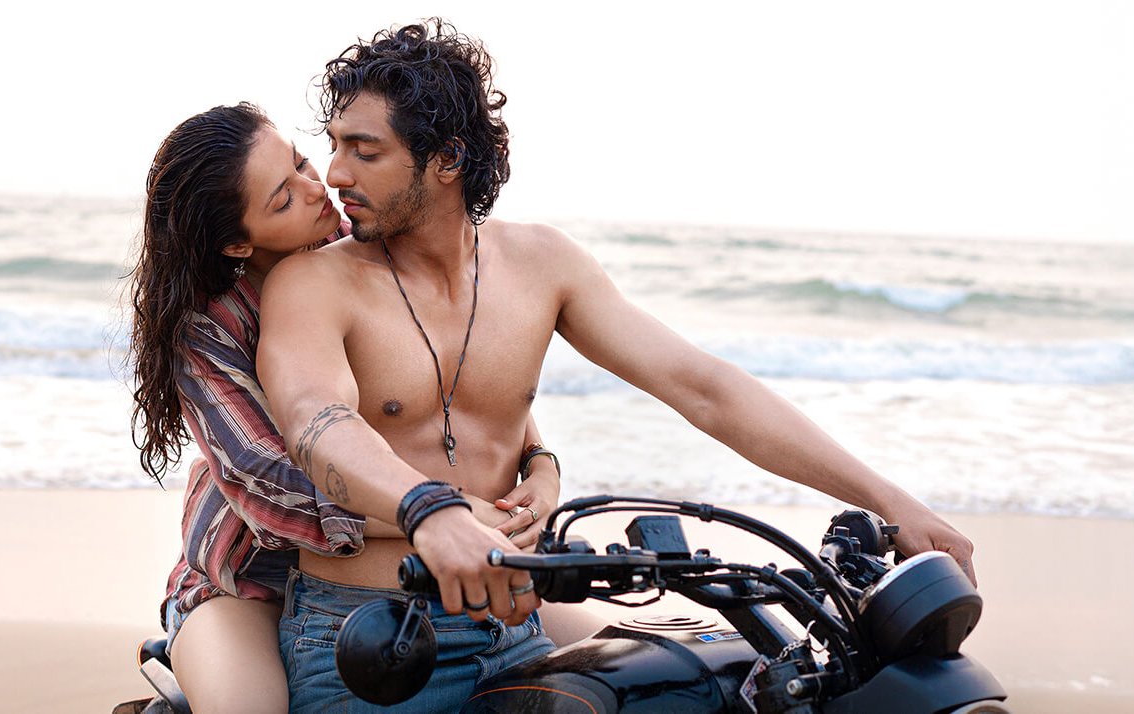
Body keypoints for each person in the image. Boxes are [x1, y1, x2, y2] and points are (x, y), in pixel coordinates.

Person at [256, 18, 978, 712]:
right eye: (334, 145)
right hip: (367, 641)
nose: (335, 172)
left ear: (445, 159)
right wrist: (428, 510)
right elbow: (316, 419)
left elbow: (705, 389)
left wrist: (897, 505)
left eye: (364, 150)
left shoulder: (542, 265)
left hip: (514, 626)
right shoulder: (315, 282)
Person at [126, 102, 563, 713]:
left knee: (621, 661)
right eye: (282, 199)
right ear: (235, 242)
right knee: (250, 708)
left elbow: (458, 381)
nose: (318, 188)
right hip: (252, 581)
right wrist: (457, 516)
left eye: (302, 163)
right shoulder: (209, 329)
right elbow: (277, 491)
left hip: (418, 558)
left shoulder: (368, 245)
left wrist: (541, 467)